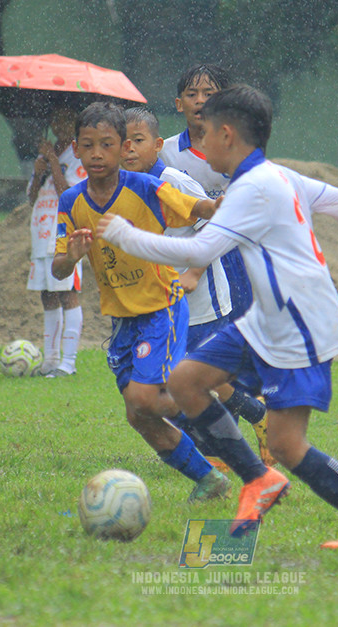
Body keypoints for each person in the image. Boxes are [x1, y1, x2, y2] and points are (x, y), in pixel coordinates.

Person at [98, 85, 338, 551]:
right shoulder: (276, 175)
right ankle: (258, 478)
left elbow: (201, 249)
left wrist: (126, 235)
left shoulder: (254, 187)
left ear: (228, 135)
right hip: (268, 318)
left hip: (300, 323)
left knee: (288, 444)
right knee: (185, 380)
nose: (199, 145)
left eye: (204, 135)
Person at [52, 101, 229, 503]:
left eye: (108, 144)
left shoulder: (147, 189)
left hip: (161, 307)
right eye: (88, 145)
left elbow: (196, 207)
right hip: (122, 322)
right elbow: (60, 269)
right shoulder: (71, 203)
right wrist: (74, 255)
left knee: (143, 398)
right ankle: (209, 479)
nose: (97, 153)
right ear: (76, 149)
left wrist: (218, 206)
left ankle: (213, 411)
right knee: (138, 416)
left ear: (121, 149)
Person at [122, 107, 273, 468]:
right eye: (122, 143)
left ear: (158, 145)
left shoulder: (174, 181)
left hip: (202, 297)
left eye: (138, 141)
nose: (128, 150)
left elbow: (218, 226)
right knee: (181, 378)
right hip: (161, 301)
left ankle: (219, 451)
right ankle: (256, 415)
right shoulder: (121, 186)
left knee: (191, 379)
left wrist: (192, 272)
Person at [160, 63, 253, 321]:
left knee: (238, 332)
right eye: (192, 94)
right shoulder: (164, 153)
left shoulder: (239, 151)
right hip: (185, 254)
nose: (200, 101)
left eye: (209, 94)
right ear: (179, 104)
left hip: (231, 254)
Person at [28, 106, 84, 377]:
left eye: (66, 117)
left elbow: (68, 194)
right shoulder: (45, 154)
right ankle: (50, 360)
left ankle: (68, 363)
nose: (60, 123)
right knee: (47, 296)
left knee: (67, 293)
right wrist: (39, 172)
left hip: (62, 232)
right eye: (56, 118)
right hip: (40, 232)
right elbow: (31, 198)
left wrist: (52, 162)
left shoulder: (77, 155)